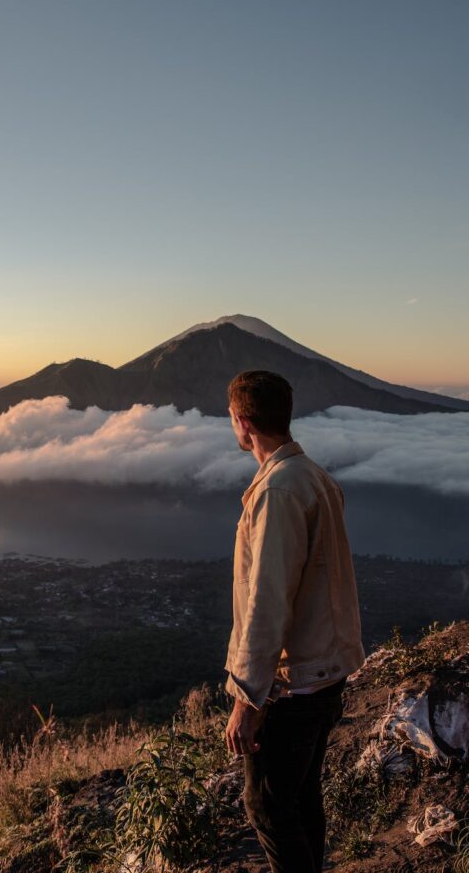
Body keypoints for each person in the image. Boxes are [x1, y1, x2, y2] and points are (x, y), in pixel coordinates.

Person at [223, 370, 366, 873]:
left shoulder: (279, 491)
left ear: (243, 423)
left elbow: (267, 602)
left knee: (267, 805)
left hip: (293, 686)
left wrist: (246, 698)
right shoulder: (315, 478)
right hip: (325, 674)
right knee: (301, 801)